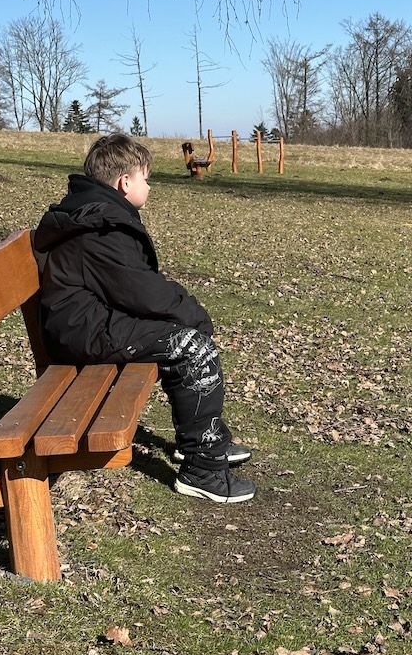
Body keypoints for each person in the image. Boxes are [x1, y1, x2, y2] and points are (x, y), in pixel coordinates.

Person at [33, 133, 256, 504]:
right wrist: (195, 316)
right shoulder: (100, 227)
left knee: (184, 338)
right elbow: (142, 292)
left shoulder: (97, 216)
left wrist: (185, 314)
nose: (149, 186)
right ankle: (202, 469)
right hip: (83, 332)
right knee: (192, 347)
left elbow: (135, 287)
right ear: (125, 182)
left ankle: (204, 442)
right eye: (146, 179)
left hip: (87, 324)